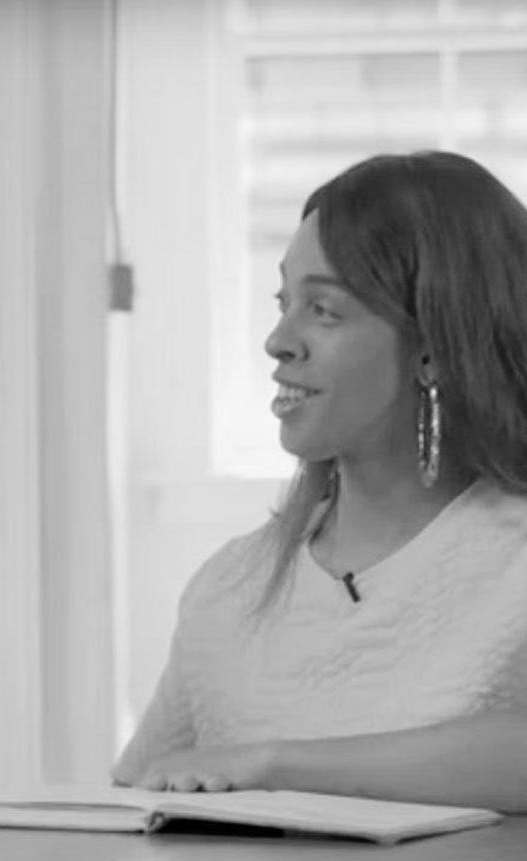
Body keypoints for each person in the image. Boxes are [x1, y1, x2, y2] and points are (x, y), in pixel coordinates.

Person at [110, 150, 527, 813]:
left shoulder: (512, 561)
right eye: (284, 303)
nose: (278, 339)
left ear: (432, 349)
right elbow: (135, 796)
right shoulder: (228, 588)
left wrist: (274, 763)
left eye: (323, 310)